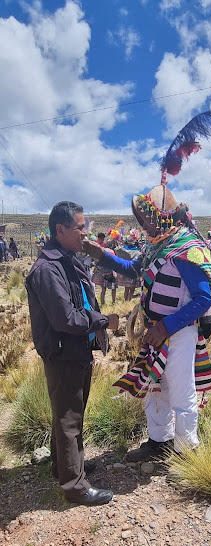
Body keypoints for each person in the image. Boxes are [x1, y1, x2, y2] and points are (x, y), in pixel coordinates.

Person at [84, 184, 211, 462]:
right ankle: (159, 441)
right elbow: (132, 269)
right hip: (156, 331)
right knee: (156, 388)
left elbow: (203, 299)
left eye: (147, 217)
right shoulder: (155, 246)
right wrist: (100, 254)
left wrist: (166, 326)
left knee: (181, 390)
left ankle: (187, 452)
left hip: (178, 331)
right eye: (141, 218)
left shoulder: (187, 249)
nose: (143, 223)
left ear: (164, 217)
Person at [26, 201, 118, 506]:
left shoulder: (66, 259)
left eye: (85, 226)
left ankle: (65, 466)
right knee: (68, 417)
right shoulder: (48, 268)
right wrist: (104, 321)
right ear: (60, 230)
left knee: (70, 412)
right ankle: (75, 487)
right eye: (79, 227)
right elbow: (65, 319)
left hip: (76, 349)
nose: (85, 232)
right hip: (64, 352)